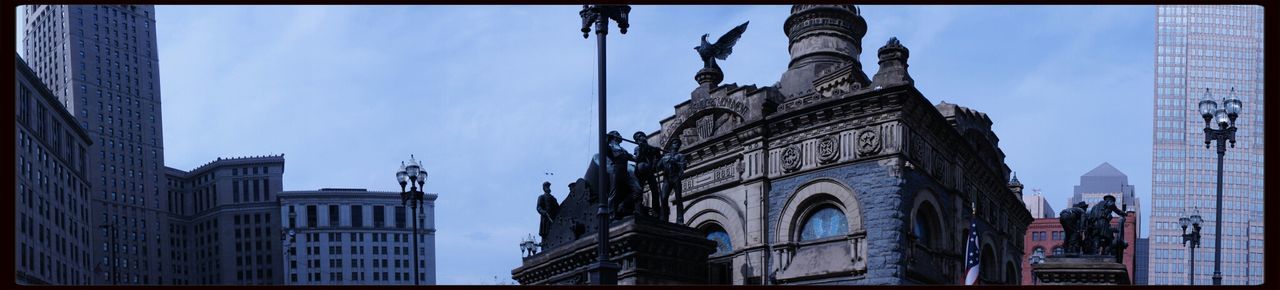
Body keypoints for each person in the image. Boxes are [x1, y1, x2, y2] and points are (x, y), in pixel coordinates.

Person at [631, 131, 664, 218]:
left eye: (641, 136)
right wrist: (641, 149)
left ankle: (656, 210)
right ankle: (638, 208)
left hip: (649, 171)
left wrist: (657, 153)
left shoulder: (652, 148)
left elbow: (659, 159)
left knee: (655, 190)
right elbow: (637, 159)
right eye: (638, 138)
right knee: (639, 189)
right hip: (640, 170)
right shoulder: (637, 148)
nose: (641, 138)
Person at [658, 138, 688, 223]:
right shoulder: (665, 157)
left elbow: (684, 166)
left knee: (678, 199)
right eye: (675, 143)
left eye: (678, 143)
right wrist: (657, 156)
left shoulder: (680, 156)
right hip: (667, 179)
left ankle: (680, 220)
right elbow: (657, 166)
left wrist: (675, 162)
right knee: (663, 198)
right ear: (671, 145)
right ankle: (663, 218)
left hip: (676, 178)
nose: (677, 145)